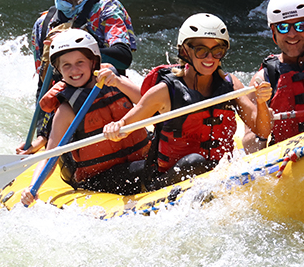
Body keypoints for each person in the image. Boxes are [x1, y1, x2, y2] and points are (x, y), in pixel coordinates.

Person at [103, 13, 273, 189]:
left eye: (217, 51)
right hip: (167, 182)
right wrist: (116, 127)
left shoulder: (231, 85)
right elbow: (126, 126)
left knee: (199, 163)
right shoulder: (165, 91)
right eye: (201, 50)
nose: (210, 58)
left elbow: (263, 130)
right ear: (185, 51)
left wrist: (261, 103)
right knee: (195, 162)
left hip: (219, 176)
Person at [19, 0, 138, 154]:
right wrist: (41, 135)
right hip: (69, 116)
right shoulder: (44, 24)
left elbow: (122, 57)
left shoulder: (107, 9)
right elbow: (45, 84)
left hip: (111, 109)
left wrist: (70, 43)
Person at [20, 29, 150, 206]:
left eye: (80, 62)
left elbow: (148, 104)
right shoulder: (67, 109)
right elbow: (50, 155)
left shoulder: (115, 81)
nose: (74, 70)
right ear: (58, 69)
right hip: (98, 178)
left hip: (136, 158)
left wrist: (119, 82)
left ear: (93, 62)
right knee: (149, 168)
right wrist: (32, 188)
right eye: (66, 65)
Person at [243, 0, 304, 152]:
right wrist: (262, 132)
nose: (292, 34)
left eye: (300, 26)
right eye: (283, 27)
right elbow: (250, 145)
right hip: (288, 161)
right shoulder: (264, 79)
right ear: (273, 32)